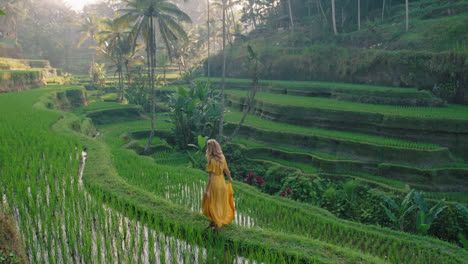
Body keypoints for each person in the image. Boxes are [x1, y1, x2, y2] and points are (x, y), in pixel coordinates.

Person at [202, 139, 235, 232]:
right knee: (219, 204)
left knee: (211, 204)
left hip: (215, 185)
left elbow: (211, 178)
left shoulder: (212, 161)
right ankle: (213, 222)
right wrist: (230, 178)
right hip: (222, 183)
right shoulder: (222, 157)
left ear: (210, 149)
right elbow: (226, 169)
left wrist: (207, 190)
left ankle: (216, 223)